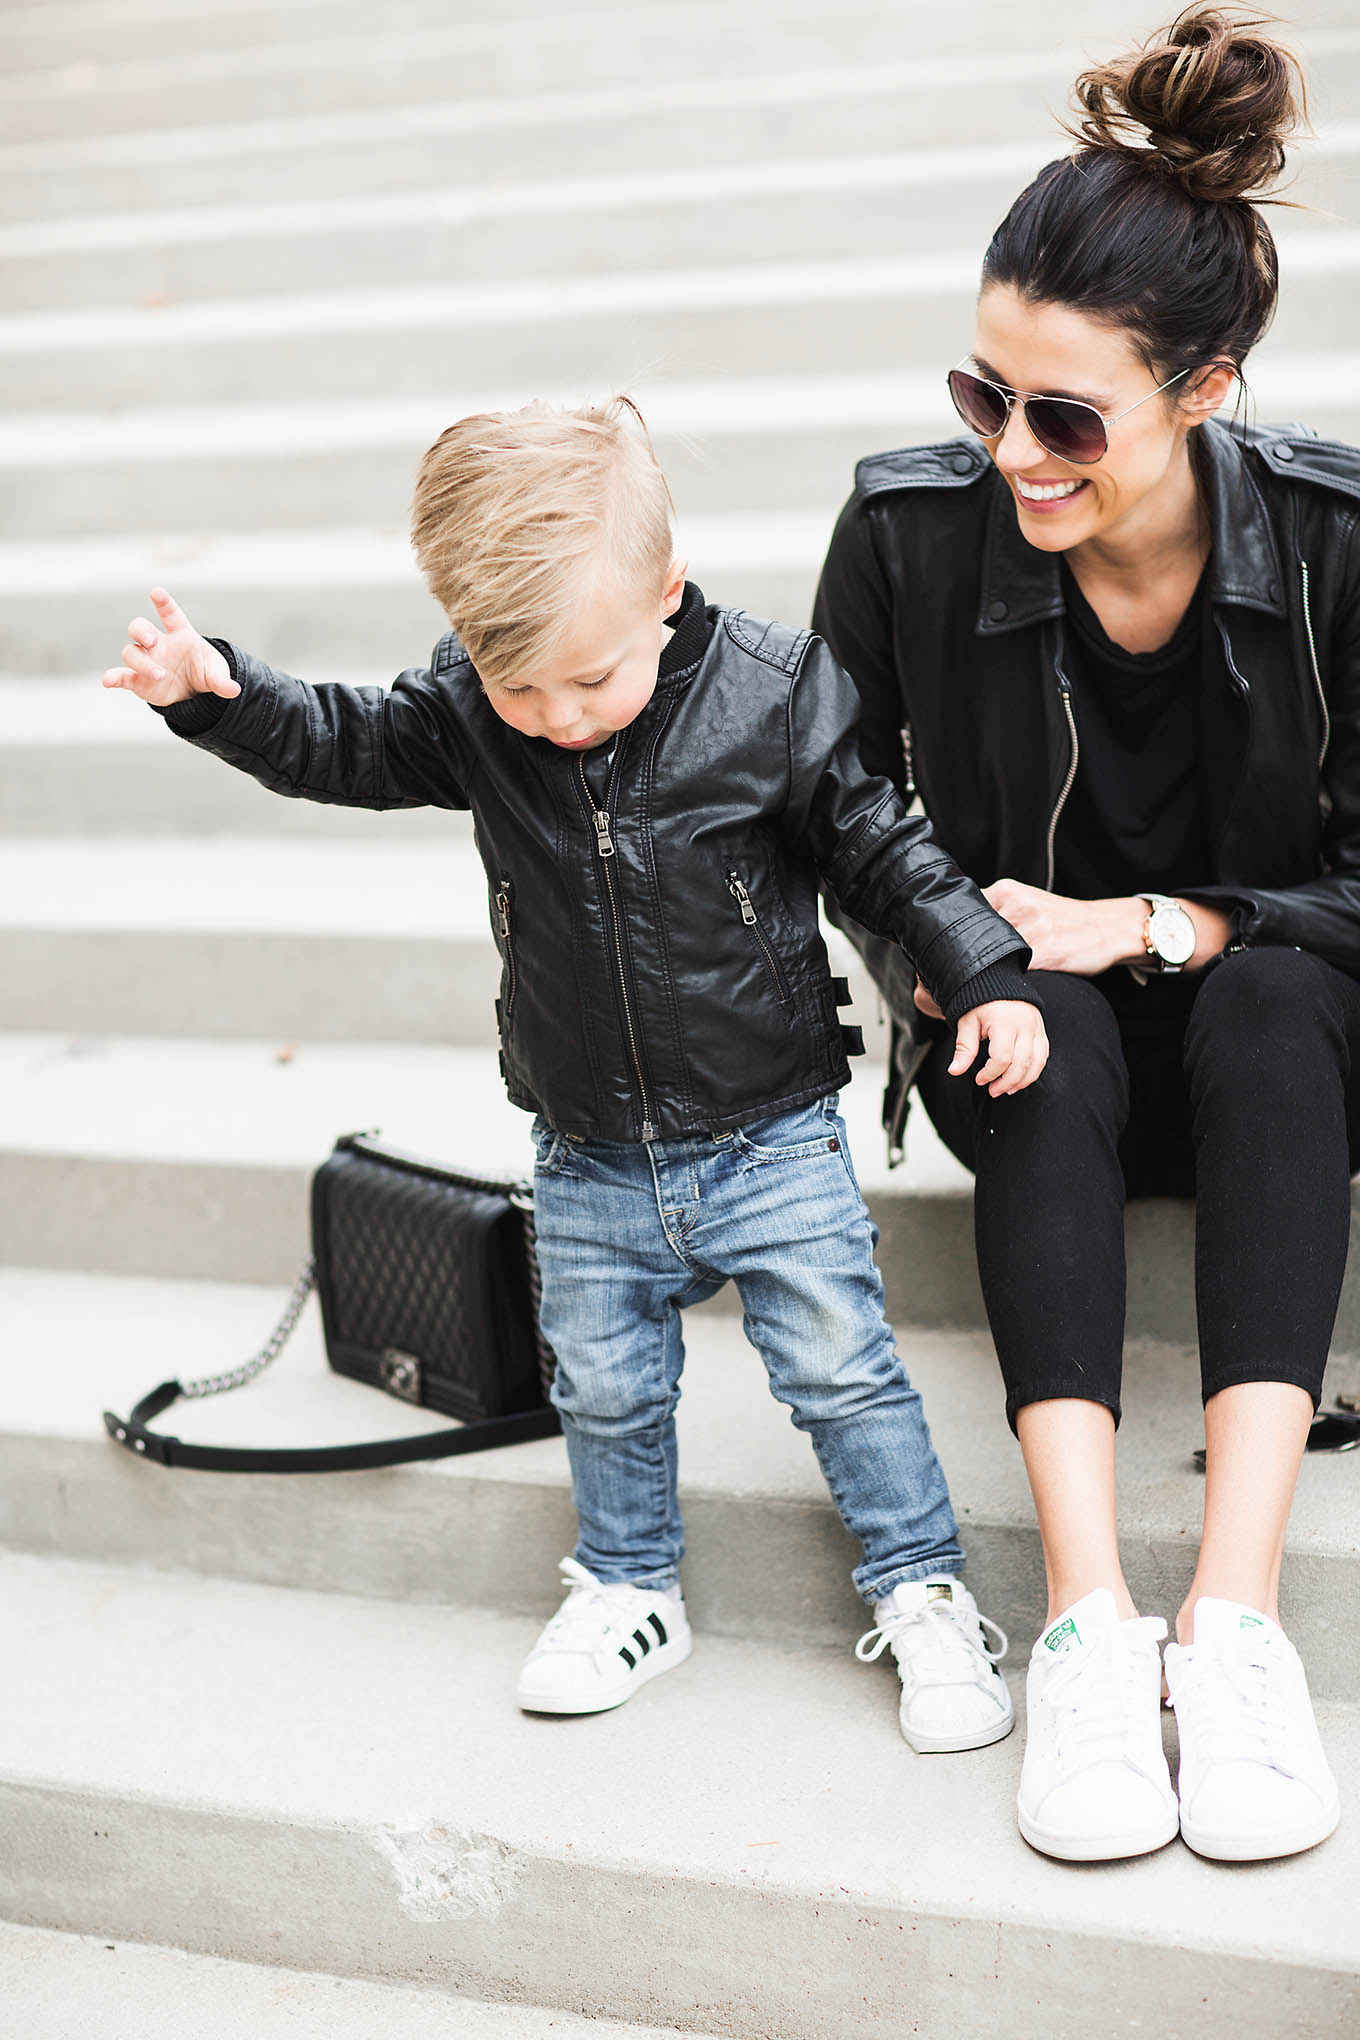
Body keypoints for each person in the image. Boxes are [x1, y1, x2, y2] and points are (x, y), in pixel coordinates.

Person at [101, 398, 1047, 1750]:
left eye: (592, 680)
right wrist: (216, 695)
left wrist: (989, 970)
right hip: (588, 1144)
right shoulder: (470, 710)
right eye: (519, 689)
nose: (556, 720)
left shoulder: (773, 691)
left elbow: (885, 850)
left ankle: (922, 1587)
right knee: (602, 1387)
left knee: (842, 1373)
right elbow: (345, 741)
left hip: (770, 1133)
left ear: (665, 591)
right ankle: (627, 1585)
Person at [814, 6, 1352, 1862]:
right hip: (1034, 1056)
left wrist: (1162, 919)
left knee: (1269, 991)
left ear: (1205, 388)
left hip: (1280, 1056)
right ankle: (1087, 1625)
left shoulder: (1340, 543)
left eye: (1065, 417)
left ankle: (1234, 1622)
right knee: (1044, 1013)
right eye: (987, 399)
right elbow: (837, 806)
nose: (1013, 456)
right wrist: (962, 951)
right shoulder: (905, 535)